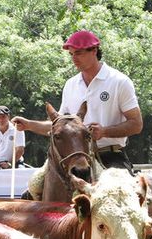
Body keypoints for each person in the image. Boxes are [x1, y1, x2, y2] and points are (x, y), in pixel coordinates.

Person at [13, 30, 143, 171]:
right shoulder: (70, 84)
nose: (74, 58)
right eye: (71, 54)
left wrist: (104, 132)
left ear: (94, 51)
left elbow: (136, 124)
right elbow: (60, 127)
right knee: (34, 189)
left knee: (117, 191)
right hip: (71, 159)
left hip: (110, 156)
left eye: (79, 53)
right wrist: (29, 125)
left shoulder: (119, 81)